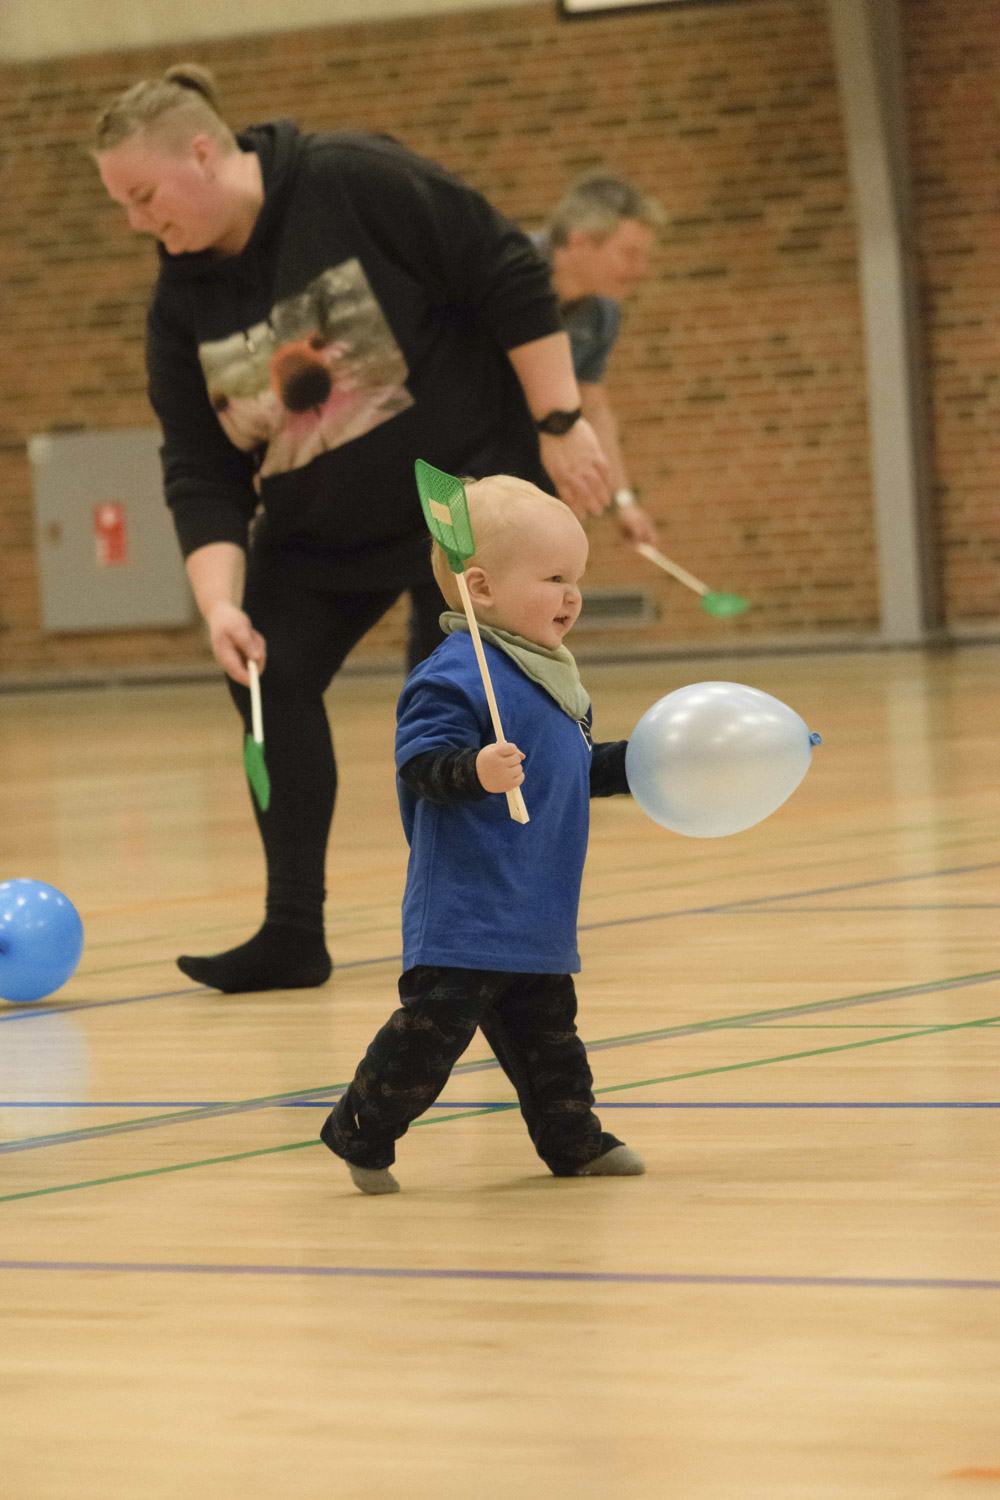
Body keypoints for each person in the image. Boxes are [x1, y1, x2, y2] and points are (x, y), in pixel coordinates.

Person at [90, 64, 612, 994]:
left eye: (142, 195)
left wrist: (561, 420)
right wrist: (219, 606)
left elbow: (505, 268)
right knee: (267, 672)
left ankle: (483, 933)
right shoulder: (181, 305)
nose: (136, 221)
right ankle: (293, 930)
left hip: (459, 512)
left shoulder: (349, 179)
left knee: (460, 714)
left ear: (201, 153)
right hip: (317, 531)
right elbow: (199, 467)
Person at [320, 473, 645, 1193]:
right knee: (428, 1043)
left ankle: (574, 1143)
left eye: (577, 579)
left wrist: (641, 765)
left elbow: (569, 770)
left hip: (535, 907)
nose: (572, 596)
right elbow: (421, 766)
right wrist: (473, 770)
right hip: (466, 912)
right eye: (554, 578)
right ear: (481, 588)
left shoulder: (549, 676)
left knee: (552, 1046)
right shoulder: (456, 675)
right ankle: (360, 1129)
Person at [534, 173, 665, 549]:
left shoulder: (603, 313)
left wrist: (623, 501)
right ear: (579, 242)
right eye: (629, 254)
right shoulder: (509, 268)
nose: (640, 271)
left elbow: (592, 406)